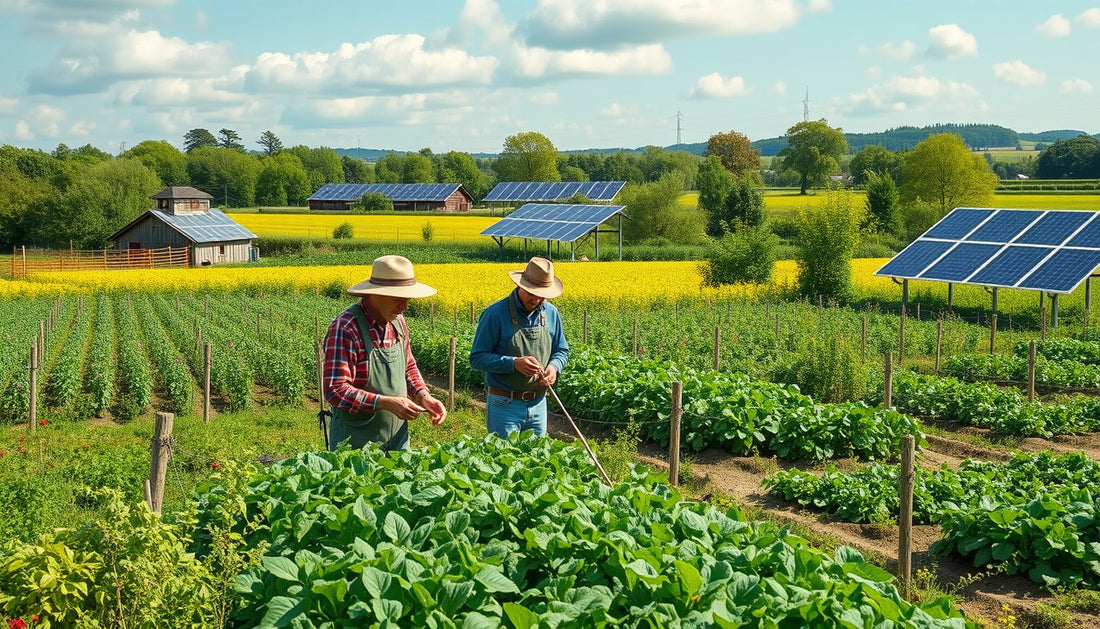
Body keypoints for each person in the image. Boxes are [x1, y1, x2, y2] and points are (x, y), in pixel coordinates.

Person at [322, 255, 446, 451]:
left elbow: (408, 367)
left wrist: (423, 396)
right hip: (355, 445)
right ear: (374, 294)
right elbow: (335, 390)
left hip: (397, 439)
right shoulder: (346, 328)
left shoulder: (398, 322)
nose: (405, 307)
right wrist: (385, 402)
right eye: (398, 299)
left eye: (407, 300)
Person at [470, 257, 569, 438]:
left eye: (542, 294)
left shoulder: (551, 313)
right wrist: (513, 363)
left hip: (538, 403)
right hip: (504, 403)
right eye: (532, 292)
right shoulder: (495, 313)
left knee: (537, 461)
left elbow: (562, 350)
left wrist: (554, 367)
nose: (537, 298)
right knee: (504, 461)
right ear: (521, 286)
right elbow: (477, 358)